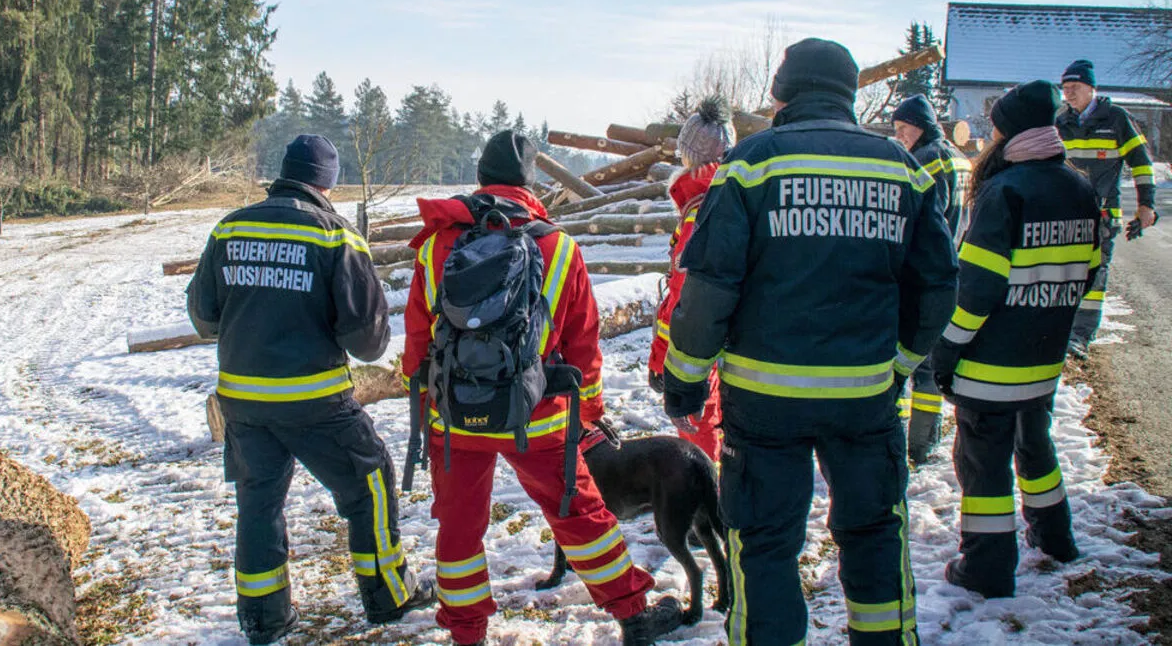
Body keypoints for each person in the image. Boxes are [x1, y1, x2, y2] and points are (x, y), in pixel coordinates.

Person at [662, 38, 958, 645]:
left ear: (780, 93)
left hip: (764, 404)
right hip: (865, 400)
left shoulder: (752, 162)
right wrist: (899, 363)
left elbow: (710, 286)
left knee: (765, 544)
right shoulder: (899, 166)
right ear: (850, 93)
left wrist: (684, 379)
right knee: (875, 533)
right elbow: (936, 284)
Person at [402, 130, 683, 646]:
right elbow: (583, 346)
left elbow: (418, 340)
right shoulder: (560, 248)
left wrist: (425, 405)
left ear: (481, 179)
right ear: (532, 184)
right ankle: (633, 616)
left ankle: (467, 633)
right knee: (580, 516)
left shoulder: (438, 245)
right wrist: (589, 414)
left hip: (455, 414)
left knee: (459, 529)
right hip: (539, 414)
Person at [186, 135, 436, 644]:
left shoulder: (230, 227)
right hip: (315, 402)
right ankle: (388, 594)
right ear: (328, 182)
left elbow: (203, 317)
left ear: (284, 173)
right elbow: (367, 343)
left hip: (243, 403)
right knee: (370, 480)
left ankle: (263, 620)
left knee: (258, 505)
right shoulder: (335, 237)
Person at [930, 81, 1101, 598]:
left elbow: (975, 292)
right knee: (1037, 448)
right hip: (1042, 360)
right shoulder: (1079, 188)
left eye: (995, 128)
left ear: (1009, 134)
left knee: (983, 469)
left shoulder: (1004, 193)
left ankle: (987, 565)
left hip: (991, 366)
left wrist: (947, 351)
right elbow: (1089, 273)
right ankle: (1055, 537)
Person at [648, 95, 736, 463]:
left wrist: (660, 362)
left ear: (688, 156)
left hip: (701, 349)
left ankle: (705, 507)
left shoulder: (698, 209)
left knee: (699, 426)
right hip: (740, 344)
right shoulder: (734, 196)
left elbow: (687, 299)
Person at [1056, 59, 1159, 359]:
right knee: (1064, 276)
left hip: (1102, 215)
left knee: (1095, 278)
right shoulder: (1061, 122)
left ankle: (1079, 337)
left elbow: (1141, 163)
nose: (1069, 94)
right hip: (1067, 216)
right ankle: (1060, 331)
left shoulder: (1115, 119)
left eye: (1074, 88)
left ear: (1091, 88)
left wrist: (1146, 205)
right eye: (1065, 89)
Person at [891, 94, 974, 464]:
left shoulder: (926, 160)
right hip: (956, 269)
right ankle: (927, 435)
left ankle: (914, 442)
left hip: (924, 277)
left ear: (919, 125)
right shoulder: (959, 156)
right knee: (931, 361)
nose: (900, 136)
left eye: (903, 129)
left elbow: (924, 223)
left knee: (912, 364)